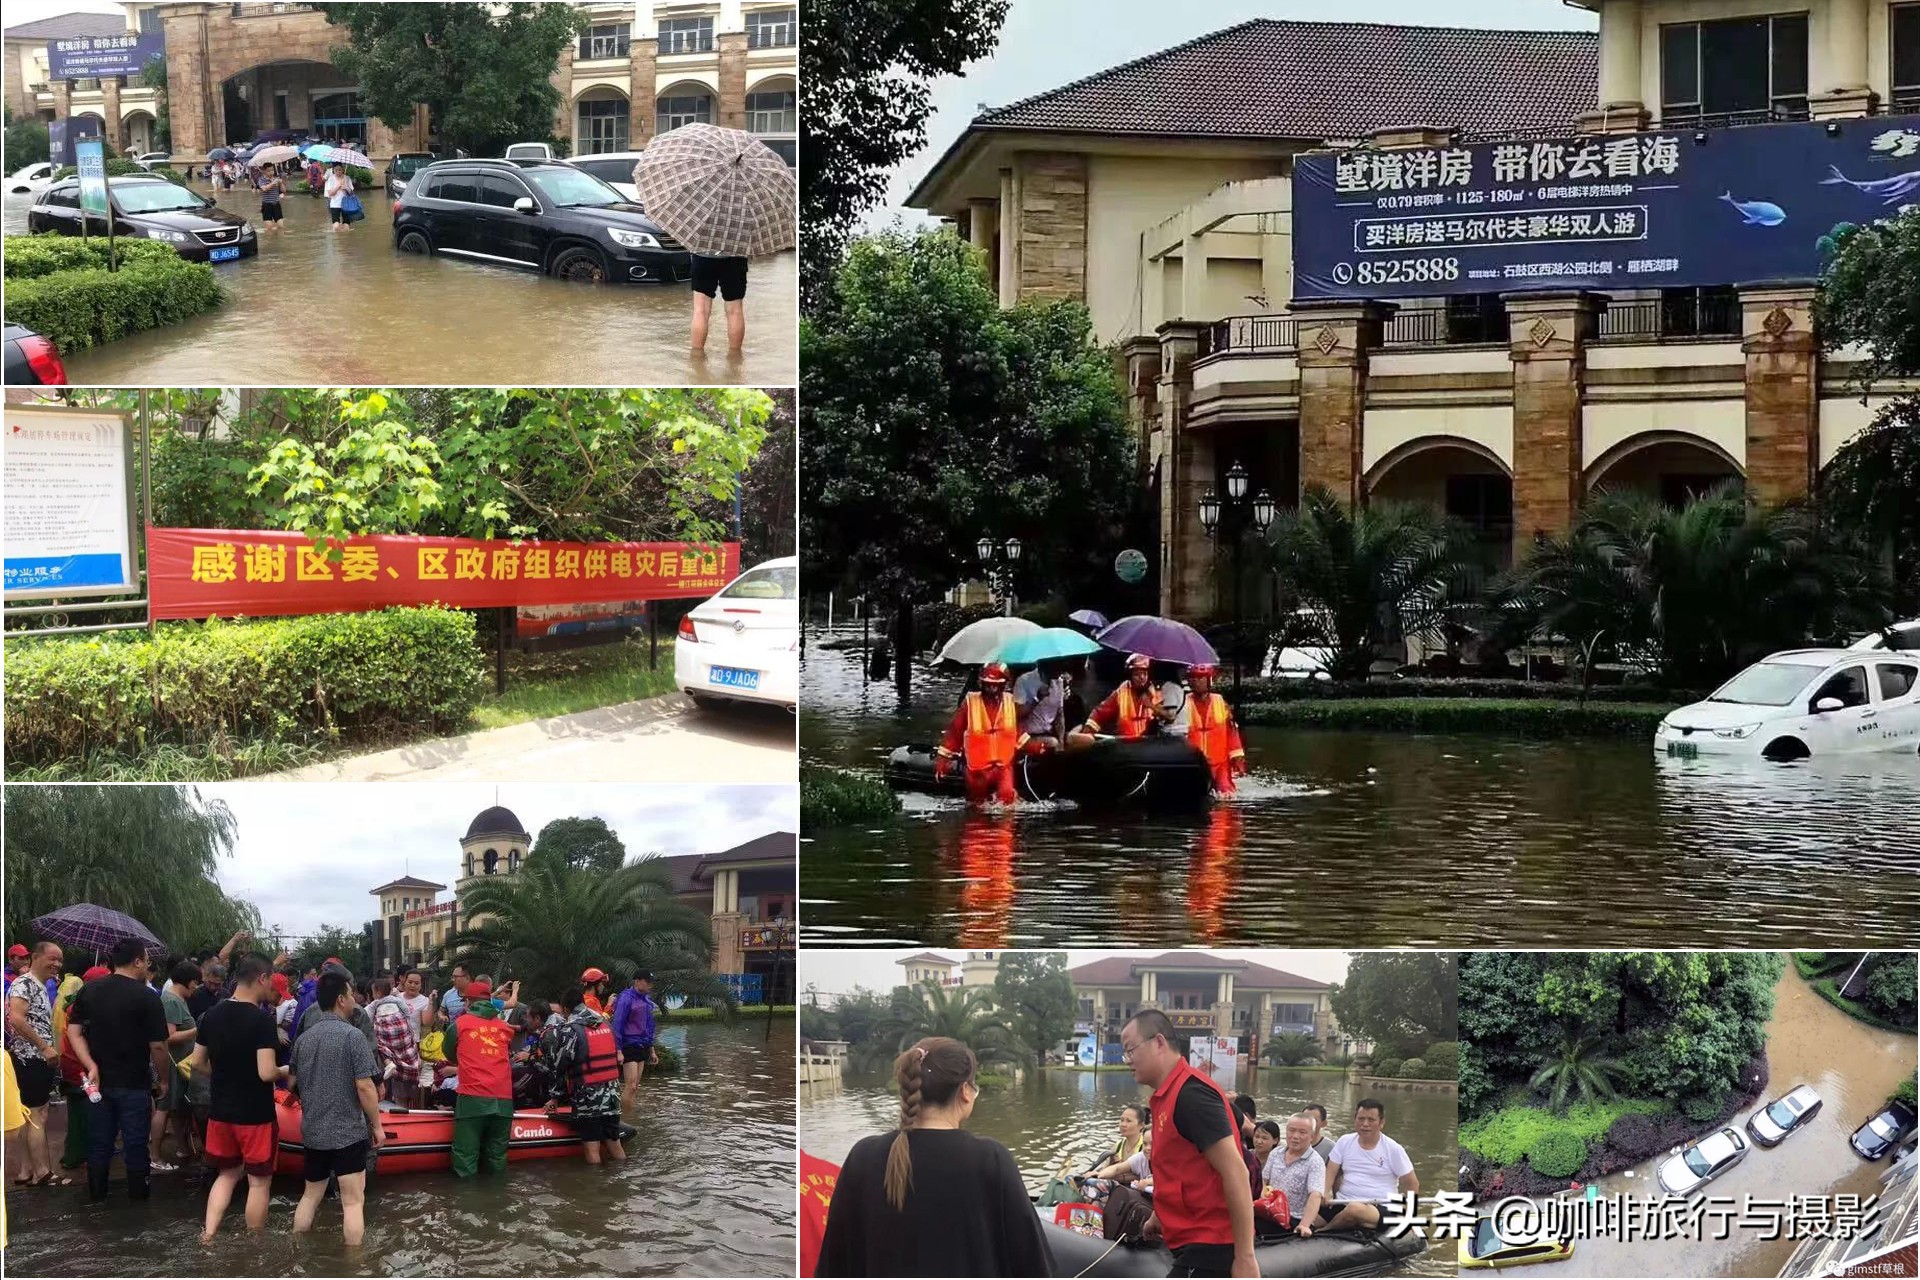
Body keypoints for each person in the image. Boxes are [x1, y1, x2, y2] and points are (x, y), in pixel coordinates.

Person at [816, 1037, 1052, 1277]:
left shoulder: (863, 1157)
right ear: (965, 1092)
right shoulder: (991, 1160)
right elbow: (1033, 1264)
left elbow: (834, 1264)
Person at [1120, 1010, 1257, 1278]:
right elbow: (1179, 1167)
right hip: (1190, 1238)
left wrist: (1245, 1258)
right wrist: (1159, 1215)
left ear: (1159, 1042)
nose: (1127, 1060)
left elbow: (1236, 1172)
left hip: (1212, 1245)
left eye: (1130, 1050)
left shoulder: (1192, 1095)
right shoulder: (1165, 1097)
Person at [65, 939, 170, 1201]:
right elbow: (158, 1046)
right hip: (134, 1083)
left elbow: (74, 1031)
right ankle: (138, 1204)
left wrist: (90, 1064)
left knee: (99, 1142)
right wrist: (165, 1080)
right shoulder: (147, 997)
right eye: (146, 960)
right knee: (135, 1144)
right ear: (136, 961)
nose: (148, 965)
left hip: (97, 1082)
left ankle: (96, 1199)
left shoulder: (90, 990)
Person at [193, 954, 288, 1242]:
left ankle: (208, 1234)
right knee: (259, 1183)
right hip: (255, 1114)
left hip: (221, 1111)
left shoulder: (213, 1014)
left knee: (226, 1175)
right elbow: (266, 1072)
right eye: (271, 979)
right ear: (262, 978)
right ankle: (254, 1244)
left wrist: (223, 1075)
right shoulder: (261, 1020)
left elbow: (196, 1062)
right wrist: (290, 1068)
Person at [289, 970, 383, 1246]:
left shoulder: (304, 1039)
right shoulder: (353, 1036)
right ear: (341, 999)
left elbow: (293, 1082)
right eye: (351, 994)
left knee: (310, 1196)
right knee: (353, 1202)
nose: (354, 999)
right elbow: (365, 1087)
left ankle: (297, 1248)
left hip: (314, 1131)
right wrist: (377, 1126)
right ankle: (354, 1266)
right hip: (347, 1133)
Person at [7, 941, 66, 1186]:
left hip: (35, 1057)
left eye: (60, 960)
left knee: (30, 1114)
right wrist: (43, 1047)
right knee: (36, 1114)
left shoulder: (41, 985)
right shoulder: (25, 983)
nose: (57, 964)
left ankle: (26, 1171)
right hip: (30, 1057)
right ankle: (42, 1172)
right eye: (53, 958)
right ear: (35, 956)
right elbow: (16, 1018)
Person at [545, 983, 625, 1165]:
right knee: (614, 1142)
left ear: (565, 1008)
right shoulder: (605, 1023)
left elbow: (559, 1066)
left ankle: (594, 1187)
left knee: (592, 1146)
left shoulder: (570, 1029)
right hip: (612, 1093)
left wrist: (555, 1098)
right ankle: (622, 1183)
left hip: (588, 1096)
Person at [444, 980, 515, 1176]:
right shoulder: (504, 1027)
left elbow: (449, 1053)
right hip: (503, 1101)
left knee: (465, 1157)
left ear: (469, 1001)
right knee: (497, 1158)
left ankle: (468, 1202)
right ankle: (497, 1199)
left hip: (472, 1099)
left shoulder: (460, 1024)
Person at [934, 661, 1029, 805]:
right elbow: (955, 732)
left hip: (1003, 767)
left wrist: (1037, 747)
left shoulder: (1010, 703)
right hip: (976, 768)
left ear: (1003, 685)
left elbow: (1018, 732)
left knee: (1006, 796)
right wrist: (943, 760)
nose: (992, 688)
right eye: (988, 684)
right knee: (976, 805)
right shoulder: (970, 703)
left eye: (996, 684)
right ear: (981, 683)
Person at [1321, 1099, 1417, 1232]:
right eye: (1361, 1119)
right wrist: (1325, 1192)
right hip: (1342, 1202)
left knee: (1355, 1209)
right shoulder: (1344, 1141)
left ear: (1381, 1123)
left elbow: (1412, 1183)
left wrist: (1409, 1215)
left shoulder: (1393, 1149)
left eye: (1371, 1120)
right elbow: (1331, 1169)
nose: (1365, 1124)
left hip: (1379, 1207)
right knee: (1310, 1210)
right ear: (1355, 1120)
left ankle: (1325, 1231)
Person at [152, 960, 202, 1170]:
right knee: (164, 1108)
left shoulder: (177, 999)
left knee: (179, 1110)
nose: (197, 988)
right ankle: (155, 1155)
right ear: (190, 982)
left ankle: (182, 1148)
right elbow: (169, 1037)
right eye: (196, 983)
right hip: (173, 1064)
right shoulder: (171, 1001)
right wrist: (198, 1029)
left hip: (182, 1063)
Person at [1072, 653, 1168, 745]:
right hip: (1126, 746)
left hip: (1150, 745)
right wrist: (1086, 733)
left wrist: (1150, 705)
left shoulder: (1156, 691)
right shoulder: (1122, 692)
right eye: (1137, 674)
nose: (1142, 678)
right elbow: (1100, 713)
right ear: (1130, 676)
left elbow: (1168, 716)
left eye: (1144, 674)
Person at [1184, 665, 1249, 794]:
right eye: (1194, 678)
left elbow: (1232, 733)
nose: (1197, 681)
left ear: (1209, 680)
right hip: (1193, 764)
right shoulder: (1183, 703)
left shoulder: (1220, 702)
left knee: (1226, 796)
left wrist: (1237, 759)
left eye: (1201, 678)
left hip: (1220, 764)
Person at [1264, 1115, 1327, 1238]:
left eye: (1302, 1132)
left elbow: (1315, 1195)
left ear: (1312, 1136)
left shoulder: (1315, 1162)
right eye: (1291, 1130)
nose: (1295, 1136)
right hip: (1270, 1212)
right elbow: (1264, 1181)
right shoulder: (1275, 1153)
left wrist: (1304, 1225)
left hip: (1293, 1218)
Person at [366, 977, 422, 1108]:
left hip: (385, 1030)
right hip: (400, 1030)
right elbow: (406, 1011)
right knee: (406, 1049)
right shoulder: (397, 1000)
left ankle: (389, 1062)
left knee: (380, 1046)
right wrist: (406, 1025)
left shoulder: (375, 1003)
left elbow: (366, 1015)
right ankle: (412, 1065)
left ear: (378, 993)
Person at [610, 971, 659, 1113]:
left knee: (635, 1086)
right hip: (628, 1044)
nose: (650, 985)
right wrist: (618, 1050)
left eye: (651, 982)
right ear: (637, 981)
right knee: (630, 1085)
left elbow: (649, 1026)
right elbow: (617, 1024)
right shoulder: (625, 998)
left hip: (642, 1045)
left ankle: (630, 1115)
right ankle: (624, 1117)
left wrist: (651, 1049)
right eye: (647, 981)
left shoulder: (646, 1001)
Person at [689, 253, 748, 353]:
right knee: (735, 310)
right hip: (736, 255)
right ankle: (735, 358)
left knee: (700, 310)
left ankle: (697, 358)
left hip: (704, 253)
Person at [1013, 660, 1069, 751]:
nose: (1059, 671)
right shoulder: (1023, 680)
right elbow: (1017, 713)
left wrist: (1061, 741)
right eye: (1056, 666)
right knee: (1053, 743)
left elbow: (1060, 715)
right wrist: (1037, 699)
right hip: (1026, 735)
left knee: (1072, 743)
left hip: (1049, 732)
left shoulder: (1059, 682)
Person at [323, 162, 355, 232]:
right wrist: (338, 186)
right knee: (336, 226)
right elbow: (330, 193)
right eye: (336, 170)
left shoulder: (347, 178)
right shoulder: (331, 179)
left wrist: (346, 188)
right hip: (335, 204)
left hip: (346, 205)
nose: (338, 171)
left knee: (346, 227)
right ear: (333, 170)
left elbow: (351, 194)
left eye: (340, 170)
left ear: (343, 170)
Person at [257, 166, 285, 233]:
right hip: (267, 205)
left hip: (276, 204)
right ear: (264, 171)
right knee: (269, 228)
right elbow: (264, 189)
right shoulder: (261, 180)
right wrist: (273, 183)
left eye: (272, 170)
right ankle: (270, 241)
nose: (271, 172)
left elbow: (283, 190)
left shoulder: (276, 179)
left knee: (281, 226)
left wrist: (281, 183)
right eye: (269, 171)